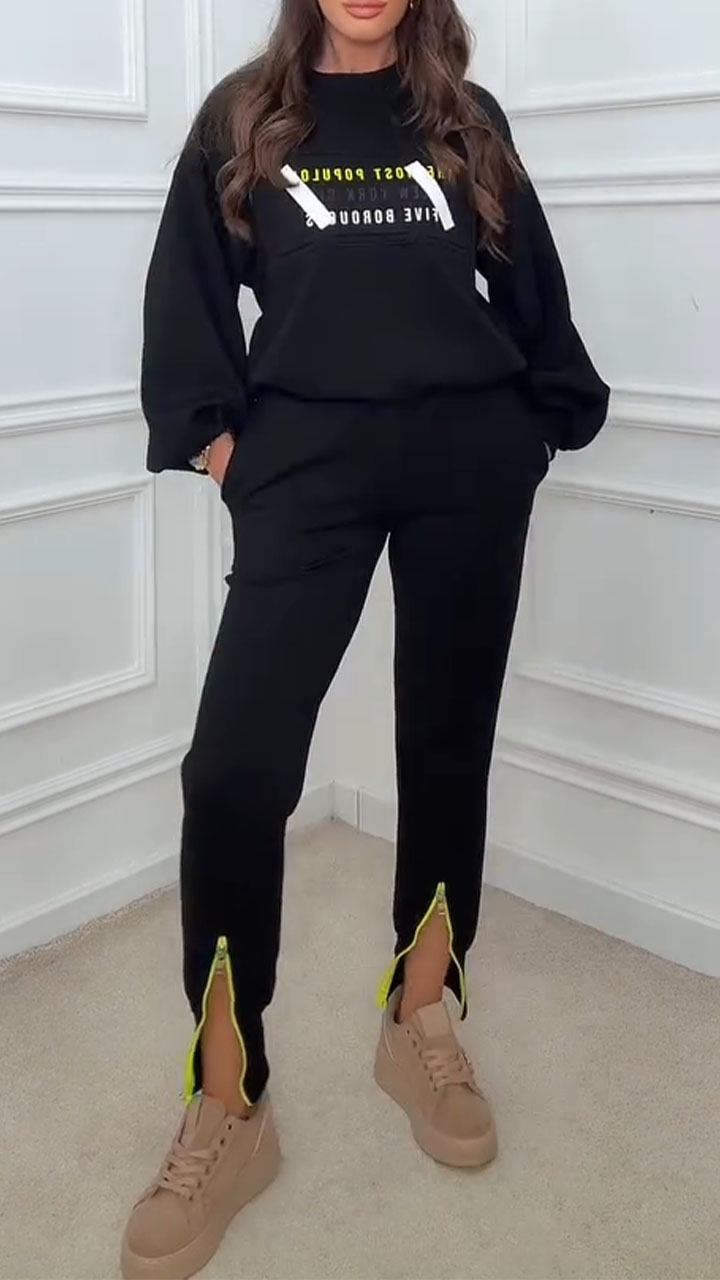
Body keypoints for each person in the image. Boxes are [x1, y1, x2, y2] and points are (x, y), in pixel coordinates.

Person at [121, 0, 609, 1275]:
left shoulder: (464, 120)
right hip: (307, 470)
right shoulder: (245, 118)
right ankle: (228, 1098)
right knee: (232, 774)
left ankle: (422, 1011)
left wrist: (531, 428)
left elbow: (535, 291)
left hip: (466, 463)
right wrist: (222, 444)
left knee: (447, 743)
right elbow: (187, 296)